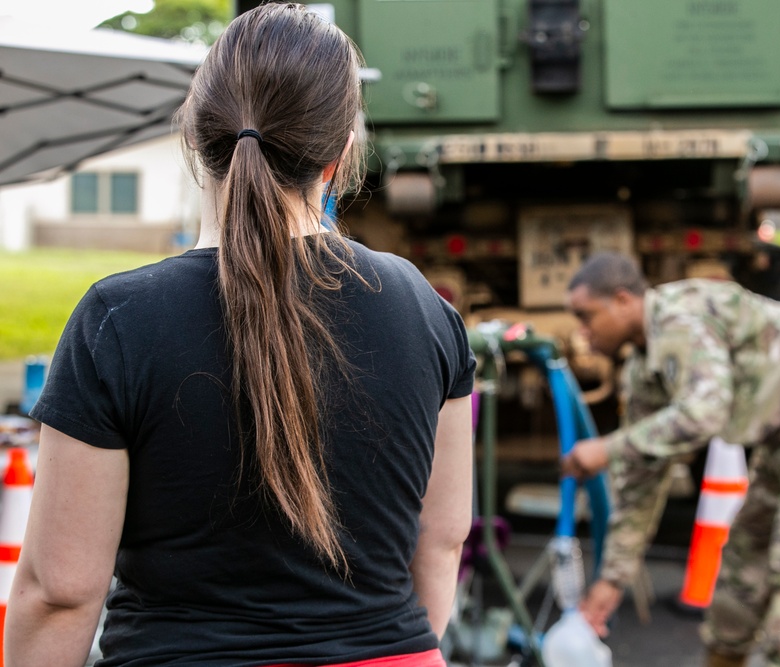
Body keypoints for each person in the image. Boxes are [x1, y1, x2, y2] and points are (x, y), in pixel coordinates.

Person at [5, 5, 476, 666]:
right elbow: (443, 540)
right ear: (341, 154)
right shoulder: (423, 308)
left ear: (197, 137)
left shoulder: (120, 319)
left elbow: (60, 592)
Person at [561, 252, 780, 667]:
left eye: (587, 316)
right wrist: (612, 579)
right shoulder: (643, 369)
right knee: (743, 564)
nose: (583, 333)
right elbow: (642, 478)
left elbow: (703, 413)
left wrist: (605, 449)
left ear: (622, 300)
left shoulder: (680, 315)